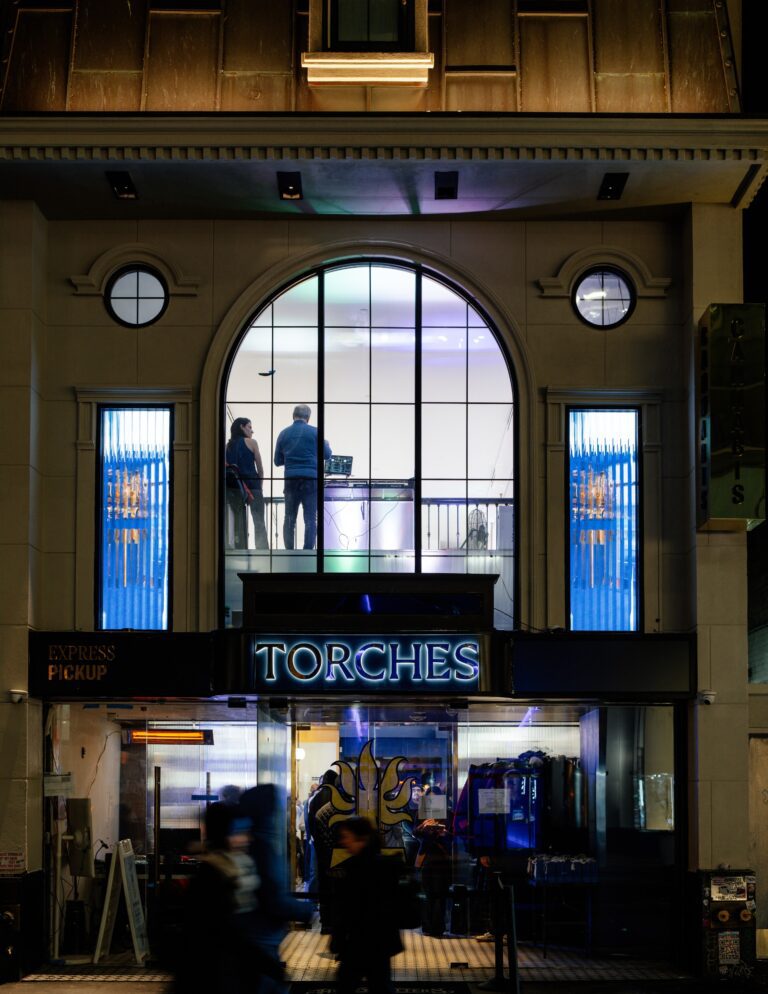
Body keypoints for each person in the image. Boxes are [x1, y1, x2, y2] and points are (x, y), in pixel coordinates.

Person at [330, 817, 402, 994]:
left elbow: (347, 910)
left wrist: (337, 939)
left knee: (347, 984)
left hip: (358, 942)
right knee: (380, 984)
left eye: (346, 837)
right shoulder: (385, 865)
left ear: (361, 838)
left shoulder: (354, 868)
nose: (343, 842)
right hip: (381, 941)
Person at [273, 404, 331, 550]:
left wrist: (291, 459)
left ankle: (289, 551)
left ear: (293, 416)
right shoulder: (316, 432)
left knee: (289, 517)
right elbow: (327, 455)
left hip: (290, 480)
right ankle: (308, 552)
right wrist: (326, 444)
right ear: (308, 417)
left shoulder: (283, 433)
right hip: (311, 480)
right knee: (310, 519)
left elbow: (277, 461)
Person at [226, 417, 268, 550]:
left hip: (235, 487)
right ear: (241, 427)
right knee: (259, 521)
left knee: (238, 521)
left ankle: (240, 549)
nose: (252, 431)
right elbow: (260, 468)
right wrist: (260, 486)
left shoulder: (227, 446)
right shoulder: (252, 442)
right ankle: (262, 551)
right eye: (249, 427)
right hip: (253, 484)